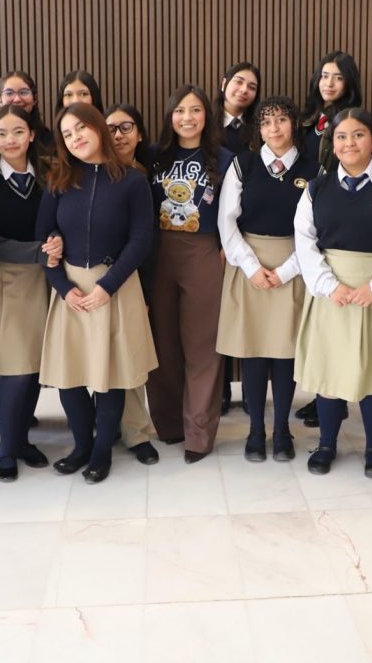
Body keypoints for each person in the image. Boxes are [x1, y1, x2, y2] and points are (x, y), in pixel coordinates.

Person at [293, 108, 372, 478]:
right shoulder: (316, 189)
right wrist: (328, 285)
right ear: (332, 145)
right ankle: (326, 444)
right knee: (330, 366)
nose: (349, 143)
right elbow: (304, 242)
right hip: (332, 288)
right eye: (341, 136)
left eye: (358, 134)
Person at [36, 103, 156, 483]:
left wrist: (107, 286)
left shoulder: (132, 180)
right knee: (70, 376)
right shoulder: (58, 180)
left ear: (98, 128)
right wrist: (63, 287)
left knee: (110, 376)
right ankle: (81, 446)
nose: (75, 138)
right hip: (70, 289)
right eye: (67, 134)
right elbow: (44, 239)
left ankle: (102, 451)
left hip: (114, 285)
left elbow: (141, 240)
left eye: (80, 129)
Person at [217, 95, 312, 462]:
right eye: (267, 122)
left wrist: (287, 270)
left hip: (295, 264)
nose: (275, 128)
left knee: (285, 354)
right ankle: (256, 430)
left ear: (294, 124)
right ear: (258, 129)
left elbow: (317, 229)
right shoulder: (243, 165)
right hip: (249, 264)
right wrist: (251, 267)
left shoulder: (313, 168)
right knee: (254, 353)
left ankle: (282, 430)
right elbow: (227, 222)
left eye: (282, 120)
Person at [0, 105, 58, 479]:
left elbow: (60, 219)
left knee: (34, 367)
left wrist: (54, 243)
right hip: (4, 280)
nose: (10, 140)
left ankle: (20, 440)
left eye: (18, 132)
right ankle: (6, 449)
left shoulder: (48, 175)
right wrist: (37, 251)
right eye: (2, 133)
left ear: (32, 135)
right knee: (14, 369)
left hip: (46, 277)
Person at [145, 85, 233, 463]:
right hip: (158, 252)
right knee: (162, 344)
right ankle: (169, 425)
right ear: (170, 116)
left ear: (206, 115)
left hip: (204, 250)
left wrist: (226, 249)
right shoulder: (153, 156)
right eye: (180, 110)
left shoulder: (225, 159)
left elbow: (235, 211)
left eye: (195, 110)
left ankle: (198, 433)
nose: (187, 117)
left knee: (202, 346)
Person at [294, 50, 362, 428]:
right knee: (315, 322)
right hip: (302, 211)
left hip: (334, 216)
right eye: (324, 75)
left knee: (336, 321)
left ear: (348, 82)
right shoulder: (307, 121)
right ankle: (322, 394)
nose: (329, 83)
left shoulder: (352, 121)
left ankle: (336, 401)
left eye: (337, 77)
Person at [104, 103, 161, 464]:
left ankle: (136, 431)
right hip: (94, 277)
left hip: (136, 275)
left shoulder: (145, 176)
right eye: (111, 128)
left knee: (130, 355)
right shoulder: (92, 172)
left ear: (140, 134)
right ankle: (106, 426)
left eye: (127, 127)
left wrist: (148, 289)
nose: (119, 135)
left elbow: (149, 240)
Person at [212, 62, 262, 415]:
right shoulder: (205, 123)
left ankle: (249, 388)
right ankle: (220, 388)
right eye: (239, 82)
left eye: (252, 87)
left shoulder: (258, 130)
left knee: (244, 312)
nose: (244, 90)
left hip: (243, 230)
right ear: (224, 83)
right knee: (215, 315)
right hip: (204, 227)